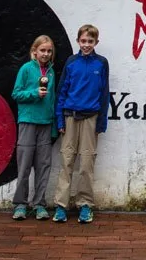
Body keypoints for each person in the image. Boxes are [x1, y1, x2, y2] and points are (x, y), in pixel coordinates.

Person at [51, 24, 109, 224]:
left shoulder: (101, 63)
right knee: (66, 161)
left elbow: (104, 94)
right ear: (78, 41)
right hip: (69, 117)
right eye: (83, 41)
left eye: (90, 41)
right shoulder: (71, 62)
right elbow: (62, 92)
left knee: (86, 163)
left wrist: (101, 123)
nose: (86, 45)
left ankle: (85, 204)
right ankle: (61, 206)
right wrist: (60, 119)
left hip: (90, 118)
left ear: (96, 43)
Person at [10, 35, 57, 221]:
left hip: (46, 123)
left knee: (43, 166)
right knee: (24, 165)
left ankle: (39, 204)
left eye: (49, 51)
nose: (45, 54)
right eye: (42, 50)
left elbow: (52, 99)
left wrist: (54, 125)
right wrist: (34, 93)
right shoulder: (26, 69)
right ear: (34, 51)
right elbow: (16, 93)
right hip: (28, 122)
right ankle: (20, 204)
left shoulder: (52, 72)